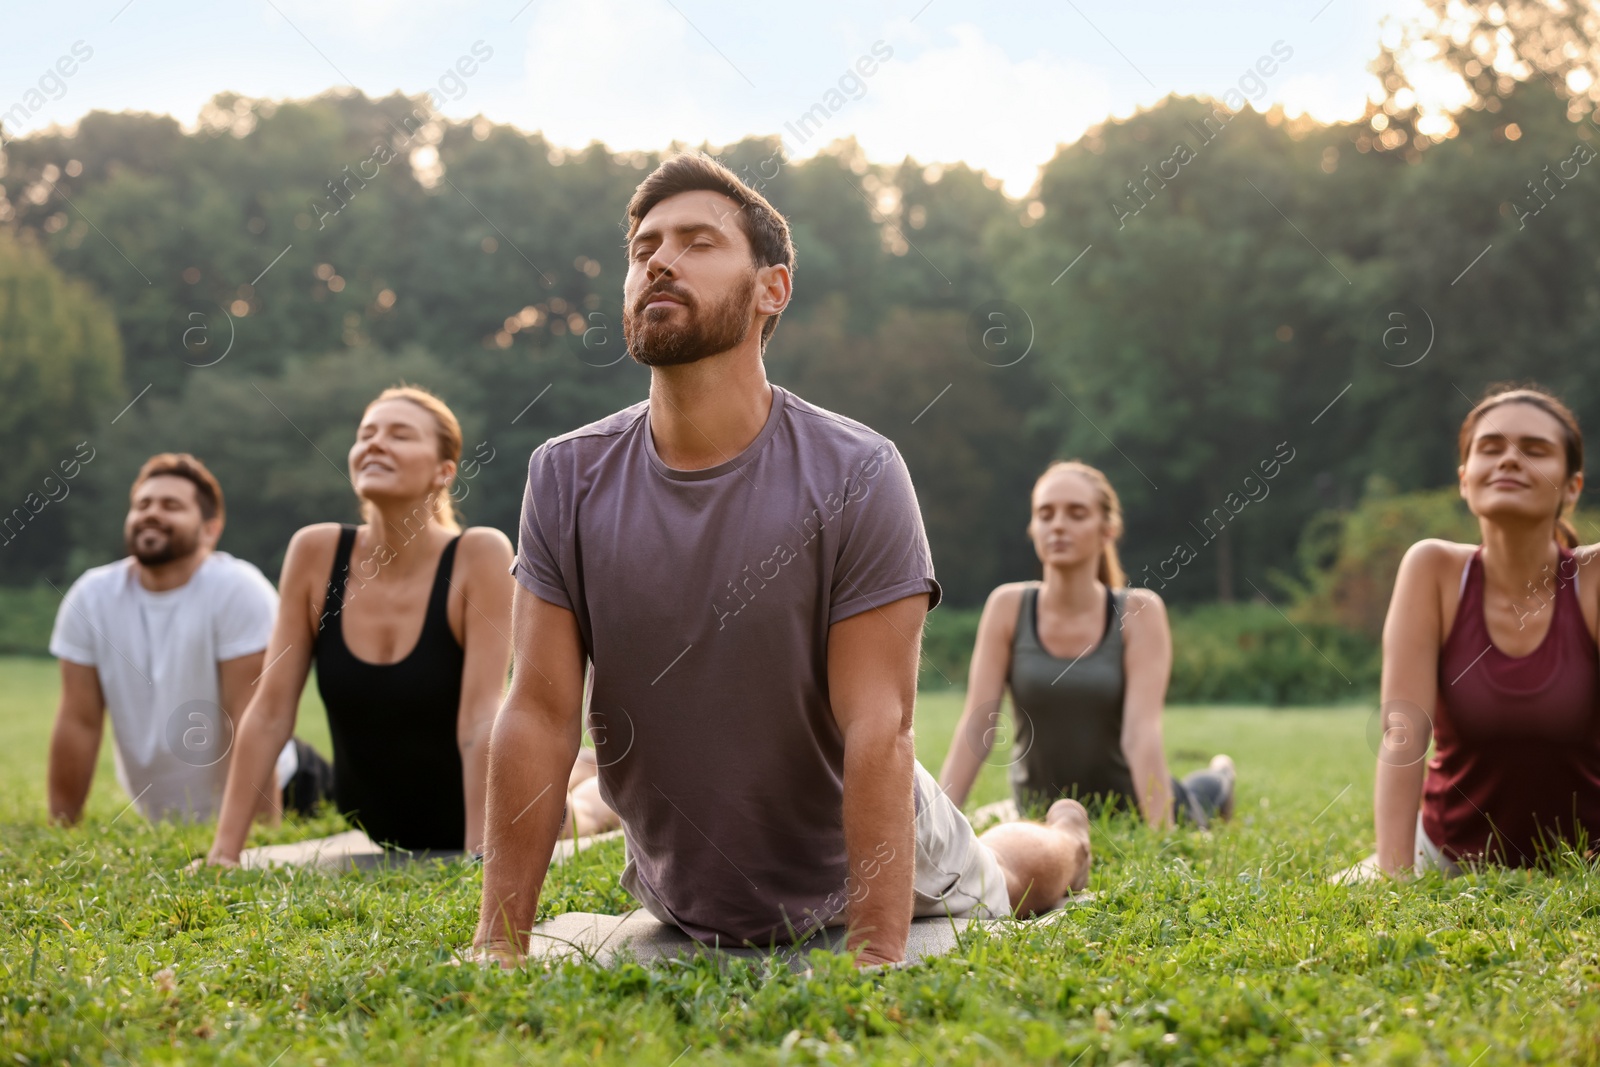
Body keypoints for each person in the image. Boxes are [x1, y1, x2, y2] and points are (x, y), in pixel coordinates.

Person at [473, 154, 1092, 970]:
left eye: (697, 241)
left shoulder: (858, 471)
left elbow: (879, 726)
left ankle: (1064, 837)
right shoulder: (566, 474)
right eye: (643, 247)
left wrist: (875, 959)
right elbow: (539, 713)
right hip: (683, 884)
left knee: (1014, 874)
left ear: (773, 289)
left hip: (863, 854)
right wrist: (498, 944)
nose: (657, 260)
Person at [205, 386, 514, 862]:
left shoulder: (480, 555)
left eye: (400, 434)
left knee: (576, 810)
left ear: (443, 471)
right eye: (366, 434)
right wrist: (224, 854)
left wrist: (480, 854)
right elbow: (269, 712)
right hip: (376, 822)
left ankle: (588, 791)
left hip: (492, 813)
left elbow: (480, 719)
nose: (375, 444)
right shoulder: (315, 552)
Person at [1368, 385, 1599, 876]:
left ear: (1572, 486)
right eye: (1490, 449)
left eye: (1534, 451)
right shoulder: (1431, 568)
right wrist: (1393, 877)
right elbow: (1402, 734)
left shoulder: (1594, 580)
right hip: (1447, 855)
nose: (1509, 461)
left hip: (1587, 864)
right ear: (1464, 479)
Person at [938, 461, 1236, 829]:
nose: (1058, 525)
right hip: (1040, 813)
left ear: (1107, 529)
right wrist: (935, 825)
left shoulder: (1140, 611)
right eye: (1045, 514)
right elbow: (978, 723)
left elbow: (1141, 734)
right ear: (1033, 528)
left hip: (1130, 808)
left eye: (1076, 514)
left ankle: (1222, 773)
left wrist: (1164, 836)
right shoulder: (1007, 607)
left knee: (1203, 793)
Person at [47, 453, 323, 824]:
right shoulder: (90, 597)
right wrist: (62, 826)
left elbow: (250, 716)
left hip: (289, 791)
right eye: (142, 504)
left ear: (211, 529)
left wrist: (258, 840)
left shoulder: (237, 589)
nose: (151, 513)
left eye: (171, 505)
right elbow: (78, 721)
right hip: (167, 816)